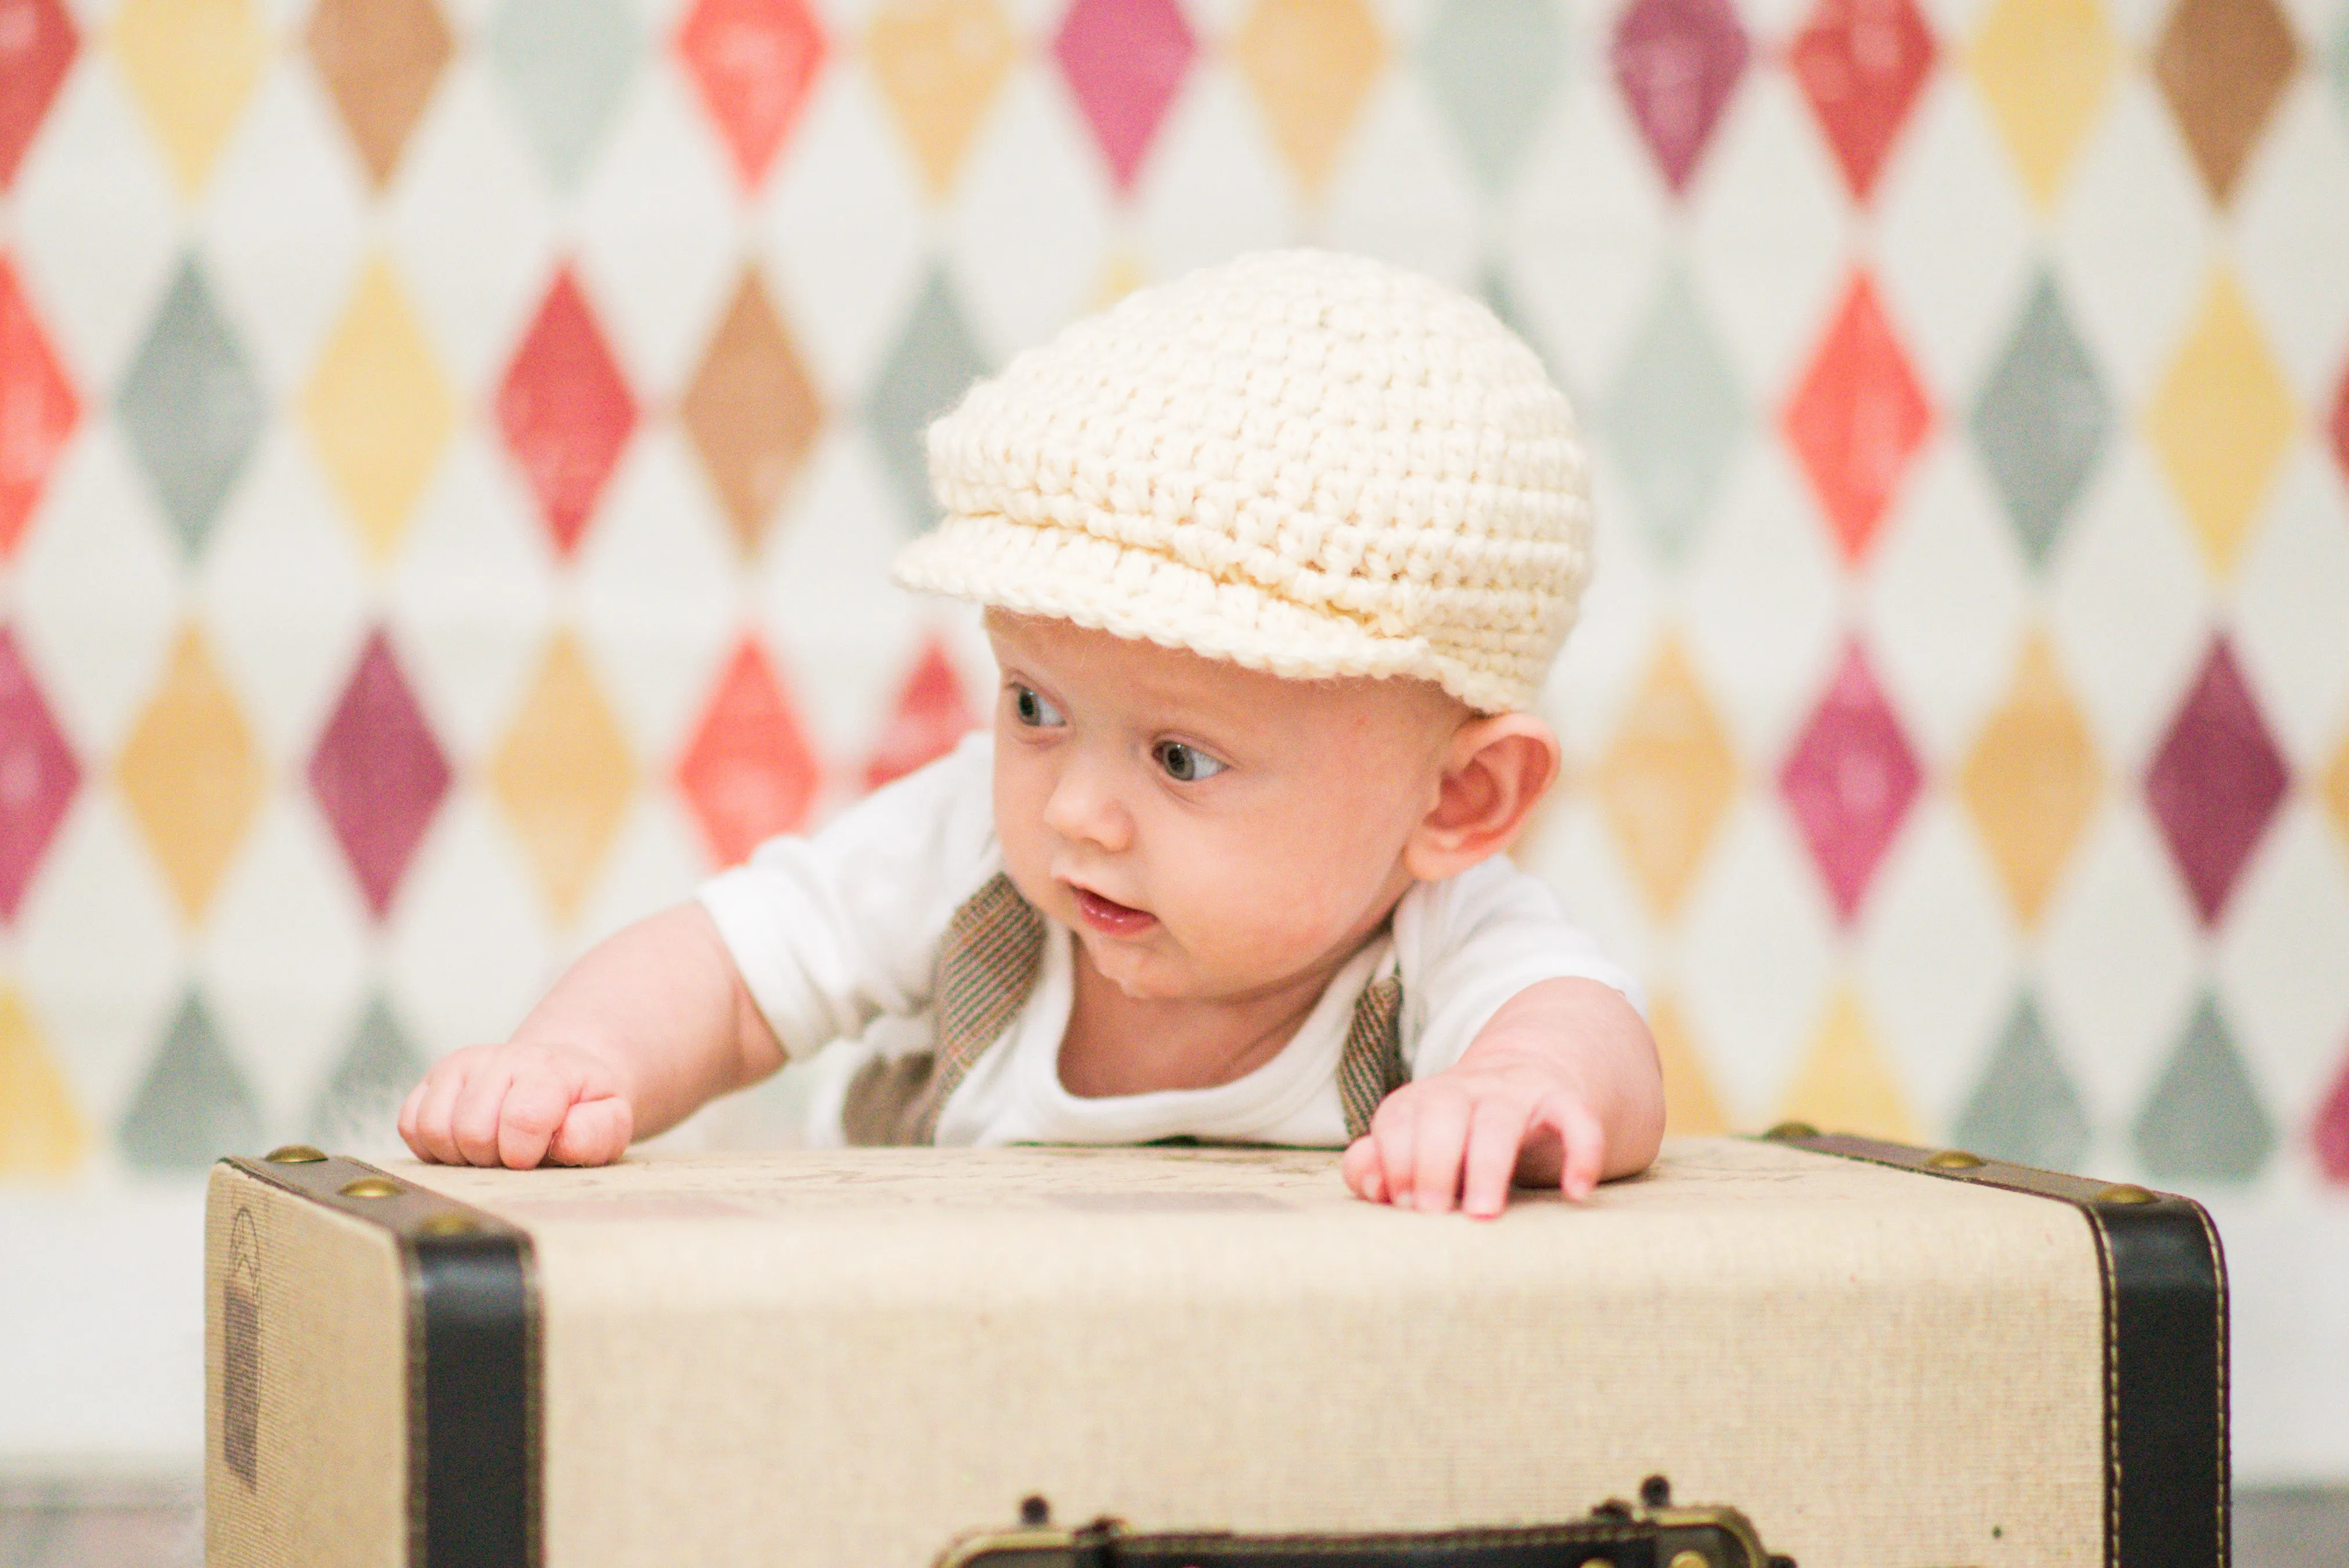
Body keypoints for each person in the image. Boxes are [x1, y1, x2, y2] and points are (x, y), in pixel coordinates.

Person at [398, 251, 1664, 1217]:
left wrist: (1510, 1094)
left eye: (1181, 759)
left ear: (1460, 802)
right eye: (1035, 709)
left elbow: (1590, 1040)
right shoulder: (969, 857)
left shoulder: (1444, 948)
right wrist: (571, 1059)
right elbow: (729, 974)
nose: (1074, 813)